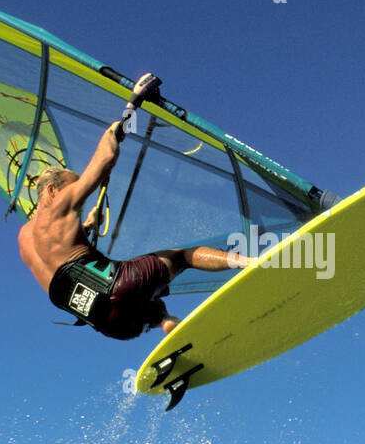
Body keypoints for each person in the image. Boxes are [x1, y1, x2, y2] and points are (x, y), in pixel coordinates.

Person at [18, 73, 248, 340]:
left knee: (153, 305)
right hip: (119, 286)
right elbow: (106, 157)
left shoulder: (25, 238)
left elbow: (64, 260)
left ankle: (166, 323)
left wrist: (88, 224)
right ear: (51, 190)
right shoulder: (60, 204)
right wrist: (131, 106)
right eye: (72, 186)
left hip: (109, 324)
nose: (76, 192)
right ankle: (250, 262)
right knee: (182, 257)